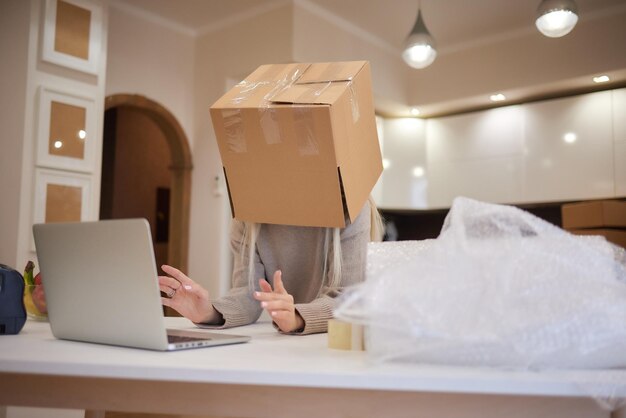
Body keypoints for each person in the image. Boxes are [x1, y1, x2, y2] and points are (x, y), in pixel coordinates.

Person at [158, 197, 383, 335]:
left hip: (336, 343)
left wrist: (297, 317)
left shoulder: (352, 206)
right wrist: (209, 313)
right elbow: (248, 294)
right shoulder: (247, 214)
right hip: (283, 344)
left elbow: (349, 298)